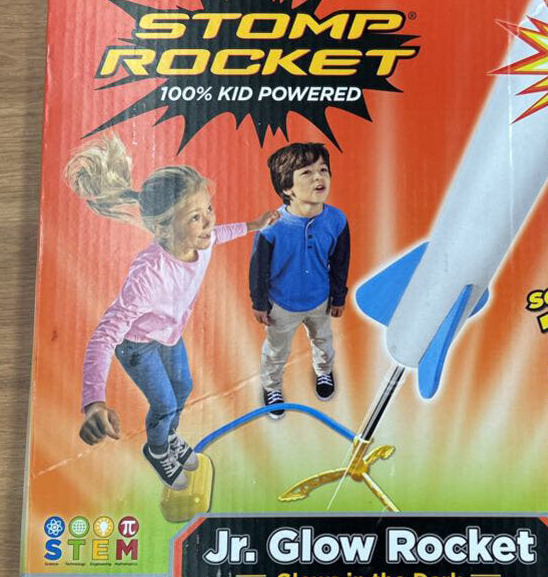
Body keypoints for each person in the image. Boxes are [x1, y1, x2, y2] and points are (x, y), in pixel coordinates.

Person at [68, 136, 277, 488]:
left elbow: (219, 234)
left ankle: (167, 437)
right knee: (164, 402)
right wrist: (93, 402)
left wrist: (254, 225)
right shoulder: (148, 276)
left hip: (168, 334)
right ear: (163, 228)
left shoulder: (201, 241)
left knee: (183, 386)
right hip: (137, 345)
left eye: (208, 208)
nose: (208, 221)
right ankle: (157, 449)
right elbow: (104, 336)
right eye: (195, 217)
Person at [249, 142, 350, 418]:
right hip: (282, 304)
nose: (319, 177)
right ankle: (271, 386)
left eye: (323, 169)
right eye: (307, 172)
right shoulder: (271, 227)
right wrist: (259, 303)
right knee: (276, 350)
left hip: (320, 300)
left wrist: (338, 296)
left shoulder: (337, 220)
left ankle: (324, 372)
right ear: (287, 187)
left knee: (323, 340)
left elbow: (340, 261)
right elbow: (258, 269)